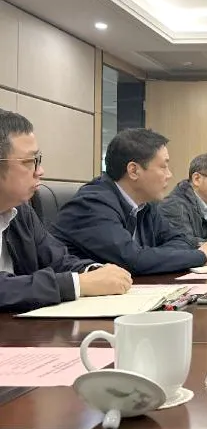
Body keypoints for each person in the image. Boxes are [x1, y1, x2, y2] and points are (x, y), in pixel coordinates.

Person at [0, 109, 131, 312]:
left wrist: (95, 271)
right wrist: (78, 284)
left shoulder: (20, 210)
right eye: (30, 162)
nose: (40, 171)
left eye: (38, 160)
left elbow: (58, 260)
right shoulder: (95, 199)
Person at [52, 128, 207, 275]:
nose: (169, 175)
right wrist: (201, 255)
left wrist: (150, 257)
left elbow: (181, 240)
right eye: (163, 166)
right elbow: (132, 260)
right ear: (133, 171)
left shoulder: (145, 205)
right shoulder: (92, 204)